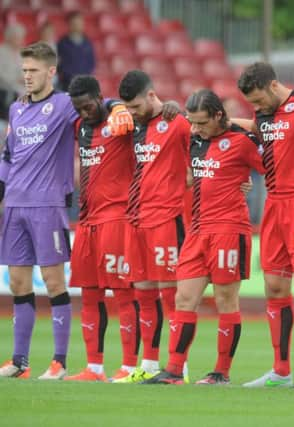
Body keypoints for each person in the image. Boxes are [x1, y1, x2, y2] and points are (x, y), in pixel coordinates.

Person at [0, 42, 133, 380]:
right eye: (24, 70)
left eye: (33, 71)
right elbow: (7, 157)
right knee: (18, 282)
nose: (27, 76)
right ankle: (20, 362)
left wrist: (118, 106)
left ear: (50, 72)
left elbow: (98, 104)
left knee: (54, 281)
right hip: (14, 205)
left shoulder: (64, 106)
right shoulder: (16, 109)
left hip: (47, 204)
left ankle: (59, 361)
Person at [142, 89, 266, 385]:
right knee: (184, 298)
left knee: (226, 300)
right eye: (192, 123)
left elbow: (271, 154)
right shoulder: (194, 139)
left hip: (228, 230)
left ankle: (221, 372)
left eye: (201, 123)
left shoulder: (242, 143)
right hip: (196, 231)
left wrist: (243, 181)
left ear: (219, 116)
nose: (195, 129)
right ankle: (173, 369)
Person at [235, 62, 294, 387]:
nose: (256, 109)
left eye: (258, 101)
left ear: (273, 86)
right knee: (274, 286)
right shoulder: (264, 115)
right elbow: (257, 132)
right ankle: (281, 370)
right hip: (274, 203)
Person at [113, 70, 190, 383]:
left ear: (151, 95)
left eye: (134, 106)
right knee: (143, 294)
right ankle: (150, 364)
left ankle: (178, 367)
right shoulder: (131, 126)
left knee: (171, 296)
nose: (130, 112)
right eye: (126, 107)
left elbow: (207, 145)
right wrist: (118, 110)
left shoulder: (178, 122)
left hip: (167, 220)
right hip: (136, 221)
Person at [62, 75, 139, 382]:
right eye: (79, 108)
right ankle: (94, 367)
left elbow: (140, 116)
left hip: (117, 219)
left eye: (89, 105)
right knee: (89, 294)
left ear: (99, 97)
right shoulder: (81, 127)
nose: (85, 112)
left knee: (123, 292)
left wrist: (118, 105)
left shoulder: (120, 121)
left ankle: (130, 365)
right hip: (87, 221)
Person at [57, 11, 95, 91]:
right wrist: (71, 77)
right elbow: (60, 64)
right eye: (74, 23)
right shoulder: (62, 43)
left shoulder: (87, 43)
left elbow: (91, 62)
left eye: (79, 23)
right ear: (69, 25)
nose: (77, 26)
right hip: (68, 85)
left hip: (85, 84)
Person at [0, 23, 26, 122]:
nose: (21, 40)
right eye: (18, 38)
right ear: (9, 38)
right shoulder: (1, 52)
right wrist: (16, 80)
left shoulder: (21, 53)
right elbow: (1, 75)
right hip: (6, 86)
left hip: (20, 85)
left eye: (21, 37)